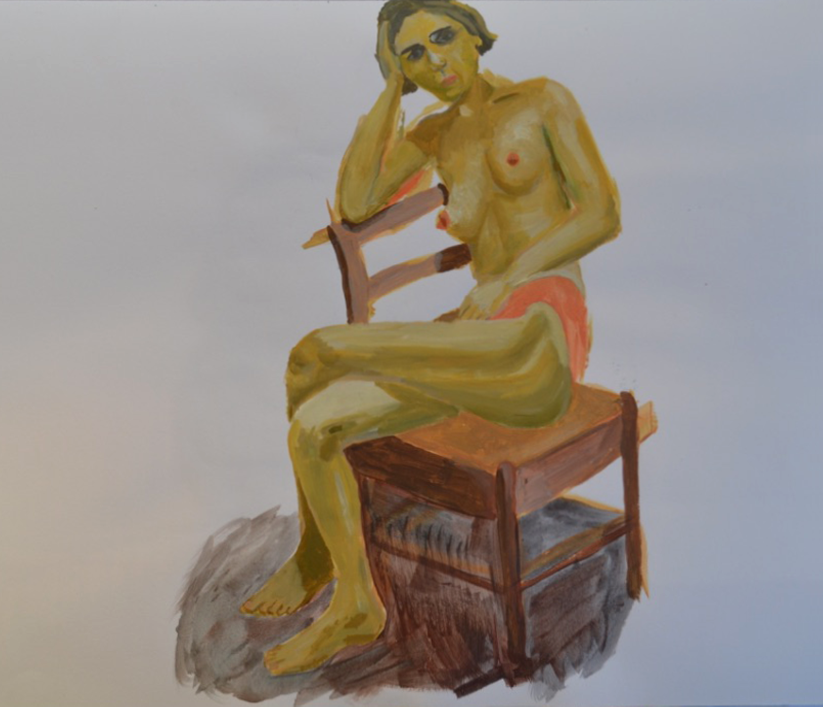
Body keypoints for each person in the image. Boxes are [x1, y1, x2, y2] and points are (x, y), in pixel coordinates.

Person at [240, 0, 621, 676]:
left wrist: (513, 278)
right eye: (411, 54)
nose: (432, 60)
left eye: (442, 38)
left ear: (473, 36)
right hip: (476, 345)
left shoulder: (542, 100)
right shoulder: (435, 133)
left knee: (315, 353)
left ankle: (315, 559)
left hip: (538, 334)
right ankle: (353, 598)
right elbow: (355, 200)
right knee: (314, 427)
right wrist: (390, 88)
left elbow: (601, 212)